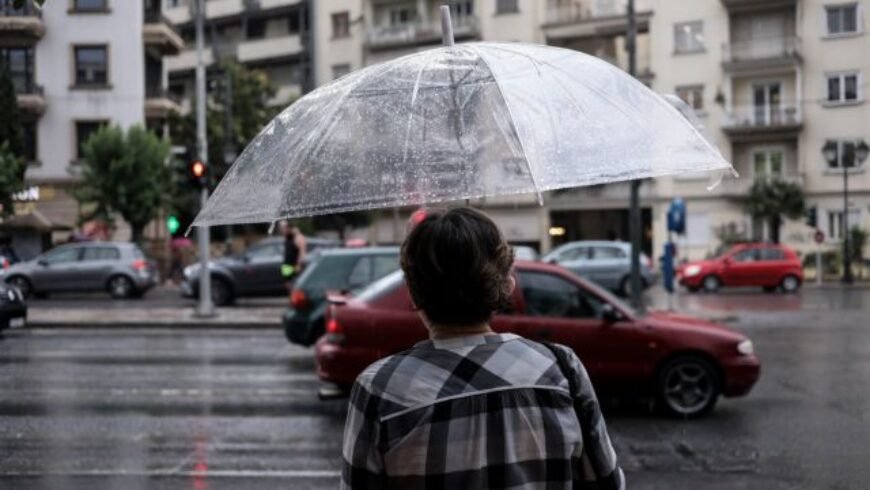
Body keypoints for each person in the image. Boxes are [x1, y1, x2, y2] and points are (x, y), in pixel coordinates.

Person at [341, 207, 624, 490]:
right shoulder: (561, 369)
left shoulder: (380, 388)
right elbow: (607, 482)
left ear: (413, 291)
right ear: (507, 284)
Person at [280, 221, 306, 291]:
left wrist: (299, 264)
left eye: (283, 228)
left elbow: (302, 251)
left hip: (294, 265)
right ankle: (292, 296)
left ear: (289, 228)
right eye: (281, 228)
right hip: (286, 265)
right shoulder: (287, 237)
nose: (282, 230)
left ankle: (295, 297)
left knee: (295, 284)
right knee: (287, 283)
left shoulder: (297, 237)